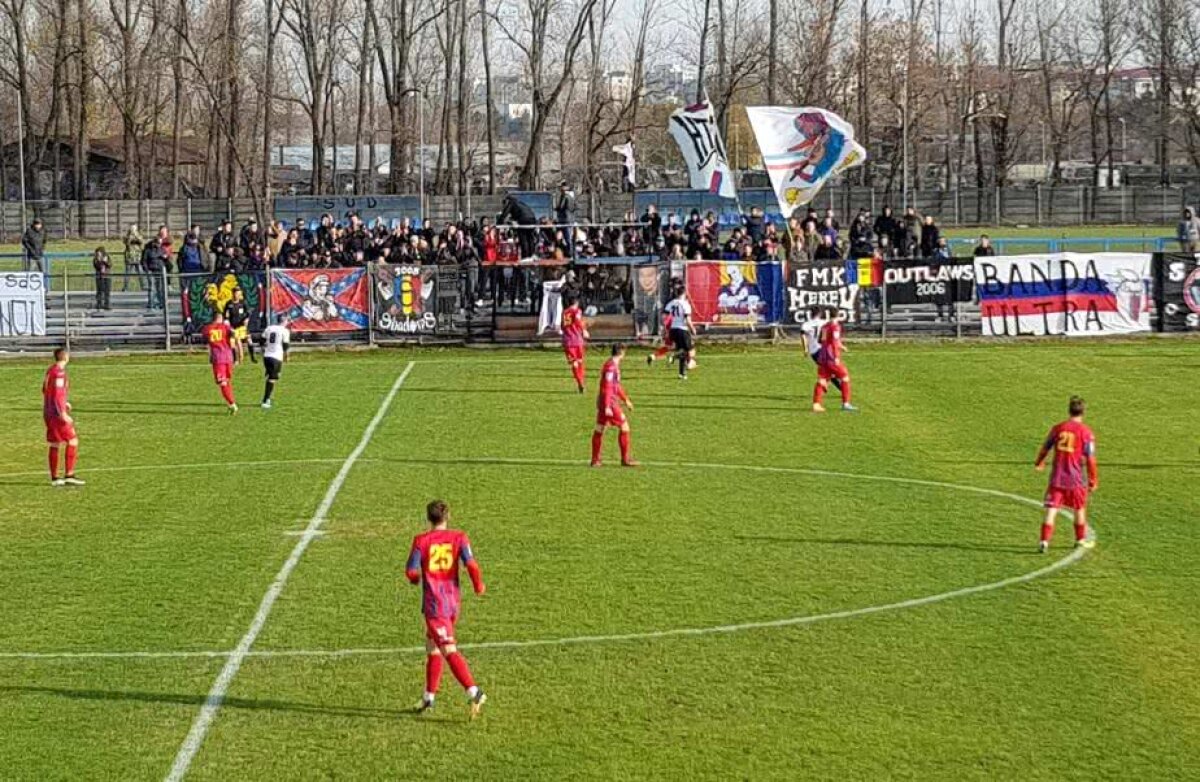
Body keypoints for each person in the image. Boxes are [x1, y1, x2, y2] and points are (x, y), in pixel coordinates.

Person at [406, 500, 487, 718]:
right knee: (432, 646)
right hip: (452, 603)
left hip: (435, 606)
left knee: (448, 649)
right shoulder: (459, 537)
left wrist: (415, 579)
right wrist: (478, 585)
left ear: (428, 518)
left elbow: (411, 571)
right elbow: (471, 565)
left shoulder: (421, 541)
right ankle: (428, 697)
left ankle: (474, 692)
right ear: (448, 516)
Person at [1034, 396, 1098, 553]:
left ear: (1069, 410)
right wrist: (1093, 479)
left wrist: (1039, 462)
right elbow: (1090, 459)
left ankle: (1044, 541)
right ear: (1083, 412)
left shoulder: (1058, 428)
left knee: (1051, 509)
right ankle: (1080, 540)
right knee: (1079, 508)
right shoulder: (1086, 432)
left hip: (1057, 478)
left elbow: (1045, 447)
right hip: (1076, 479)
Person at [591, 343, 637, 467]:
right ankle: (625, 460)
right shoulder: (611, 367)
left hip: (605, 401)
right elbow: (607, 387)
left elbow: (615, 386)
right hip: (609, 402)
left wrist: (625, 400)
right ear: (621, 352)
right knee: (624, 427)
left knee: (599, 428)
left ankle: (595, 460)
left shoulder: (611, 365)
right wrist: (607, 406)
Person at [43, 347, 84, 487]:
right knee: (73, 440)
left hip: (48, 412)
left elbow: (46, 390)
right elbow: (57, 394)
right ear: (66, 357)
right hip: (57, 415)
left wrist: (63, 402)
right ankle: (69, 475)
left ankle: (55, 478)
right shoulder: (59, 373)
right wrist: (62, 413)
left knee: (55, 442)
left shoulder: (50, 370)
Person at [812, 307, 856, 413]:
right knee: (845, 377)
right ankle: (846, 404)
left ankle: (816, 404)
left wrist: (841, 346)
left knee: (822, 379)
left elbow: (821, 340)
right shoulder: (835, 326)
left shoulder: (825, 326)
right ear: (838, 315)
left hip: (822, 357)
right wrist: (836, 357)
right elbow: (834, 342)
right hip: (831, 357)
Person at [201, 310, 238, 413]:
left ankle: (232, 404)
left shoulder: (207, 328)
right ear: (220, 318)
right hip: (228, 357)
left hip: (218, 358)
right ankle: (230, 403)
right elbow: (233, 334)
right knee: (227, 381)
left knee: (223, 382)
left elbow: (205, 340)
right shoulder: (225, 327)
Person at [800, 305, 843, 394]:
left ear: (810, 314)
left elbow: (803, 337)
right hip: (825, 349)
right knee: (831, 369)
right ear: (820, 314)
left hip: (814, 352)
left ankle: (826, 383)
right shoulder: (825, 323)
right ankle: (839, 387)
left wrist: (805, 349)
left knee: (828, 369)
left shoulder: (806, 325)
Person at [664, 286, 696, 379]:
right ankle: (674, 356)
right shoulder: (685, 304)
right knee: (690, 350)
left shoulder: (670, 303)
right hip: (682, 329)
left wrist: (666, 330)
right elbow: (687, 319)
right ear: (684, 293)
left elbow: (665, 318)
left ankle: (682, 374)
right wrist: (692, 328)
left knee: (682, 351)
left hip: (673, 330)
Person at [561, 294, 590, 393]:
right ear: (576, 303)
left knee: (574, 363)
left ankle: (580, 382)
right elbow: (577, 320)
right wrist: (584, 330)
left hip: (567, 341)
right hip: (577, 340)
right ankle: (581, 382)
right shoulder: (577, 311)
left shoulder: (564, 312)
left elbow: (563, 326)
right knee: (580, 362)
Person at [260, 316, 291, 409]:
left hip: (267, 356)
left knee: (275, 376)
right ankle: (265, 400)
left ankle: (268, 397)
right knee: (272, 378)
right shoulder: (285, 331)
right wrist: (287, 356)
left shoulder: (269, 328)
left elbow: (261, 341)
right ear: (284, 321)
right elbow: (285, 346)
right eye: (287, 321)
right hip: (276, 357)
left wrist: (264, 349)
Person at [225, 287, 255, 364]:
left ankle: (252, 358)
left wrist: (247, 319)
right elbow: (225, 316)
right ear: (233, 294)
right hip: (233, 327)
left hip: (242, 326)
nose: (237, 295)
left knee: (249, 340)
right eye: (236, 293)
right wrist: (228, 324)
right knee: (233, 342)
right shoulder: (229, 304)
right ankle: (236, 360)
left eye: (239, 294)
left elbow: (248, 313)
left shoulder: (242, 303)